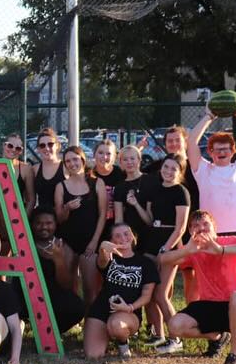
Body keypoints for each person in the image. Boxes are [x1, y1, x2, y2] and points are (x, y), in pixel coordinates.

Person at [160, 209, 236, 364]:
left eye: (205, 224)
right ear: (190, 231)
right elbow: (163, 259)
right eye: (195, 225)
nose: (201, 228)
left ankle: (234, 357)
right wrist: (187, 250)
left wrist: (221, 250)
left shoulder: (229, 241)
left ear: (214, 226)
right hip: (210, 305)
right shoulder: (193, 250)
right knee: (175, 326)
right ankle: (218, 336)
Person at [125, 153, 190, 349]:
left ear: (180, 172)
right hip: (151, 243)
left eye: (173, 169)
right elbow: (149, 220)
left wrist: (166, 248)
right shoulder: (155, 189)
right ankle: (159, 335)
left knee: (161, 294)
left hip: (169, 245)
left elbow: (181, 228)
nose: (168, 171)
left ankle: (176, 338)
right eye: (166, 167)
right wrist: (135, 204)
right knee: (149, 293)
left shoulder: (181, 192)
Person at [187, 100, 236, 236]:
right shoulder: (202, 170)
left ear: (233, 151)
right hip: (209, 232)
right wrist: (209, 117)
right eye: (217, 149)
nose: (221, 152)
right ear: (210, 152)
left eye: (225, 149)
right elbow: (191, 142)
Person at [83, 223, 158, 359]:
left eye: (126, 233)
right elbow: (102, 262)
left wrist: (129, 307)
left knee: (116, 325)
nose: (123, 238)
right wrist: (103, 248)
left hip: (127, 312)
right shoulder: (109, 257)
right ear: (112, 241)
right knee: (93, 355)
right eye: (117, 236)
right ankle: (105, 334)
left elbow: (146, 296)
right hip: (101, 309)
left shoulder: (146, 263)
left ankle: (123, 343)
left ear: (133, 236)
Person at [54, 145, 108, 305]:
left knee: (90, 288)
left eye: (75, 159)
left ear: (83, 160)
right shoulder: (61, 186)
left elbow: (103, 215)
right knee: (68, 285)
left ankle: (90, 318)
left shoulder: (97, 183)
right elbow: (59, 219)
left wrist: (94, 241)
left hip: (89, 241)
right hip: (68, 241)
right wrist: (67, 208)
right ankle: (73, 316)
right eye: (68, 161)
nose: (72, 164)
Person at [27, 207, 86, 337]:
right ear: (32, 224)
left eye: (49, 223)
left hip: (53, 295)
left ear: (55, 224)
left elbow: (66, 284)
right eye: (39, 223)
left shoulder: (64, 247)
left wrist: (59, 260)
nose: (44, 227)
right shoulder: (24, 244)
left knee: (76, 307)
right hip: (26, 294)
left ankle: (52, 332)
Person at [112, 144, 151, 242]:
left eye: (132, 158)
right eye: (125, 159)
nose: (129, 162)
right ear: (121, 163)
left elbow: (150, 220)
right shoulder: (119, 187)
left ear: (139, 160)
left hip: (150, 233)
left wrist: (136, 204)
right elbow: (119, 220)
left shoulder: (150, 181)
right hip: (129, 236)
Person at [30, 127, 65, 210]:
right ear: (38, 149)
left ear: (57, 146)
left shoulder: (66, 167)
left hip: (63, 215)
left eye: (50, 144)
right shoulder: (34, 170)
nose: (46, 148)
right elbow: (29, 198)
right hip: (42, 216)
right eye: (42, 145)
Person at [0, 133, 36, 210]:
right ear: (4, 145)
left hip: (18, 214)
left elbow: (31, 200)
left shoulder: (26, 169)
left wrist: (24, 216)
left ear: (21, 151)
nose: (13, 150)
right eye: (10, 146)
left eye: (18, 148)